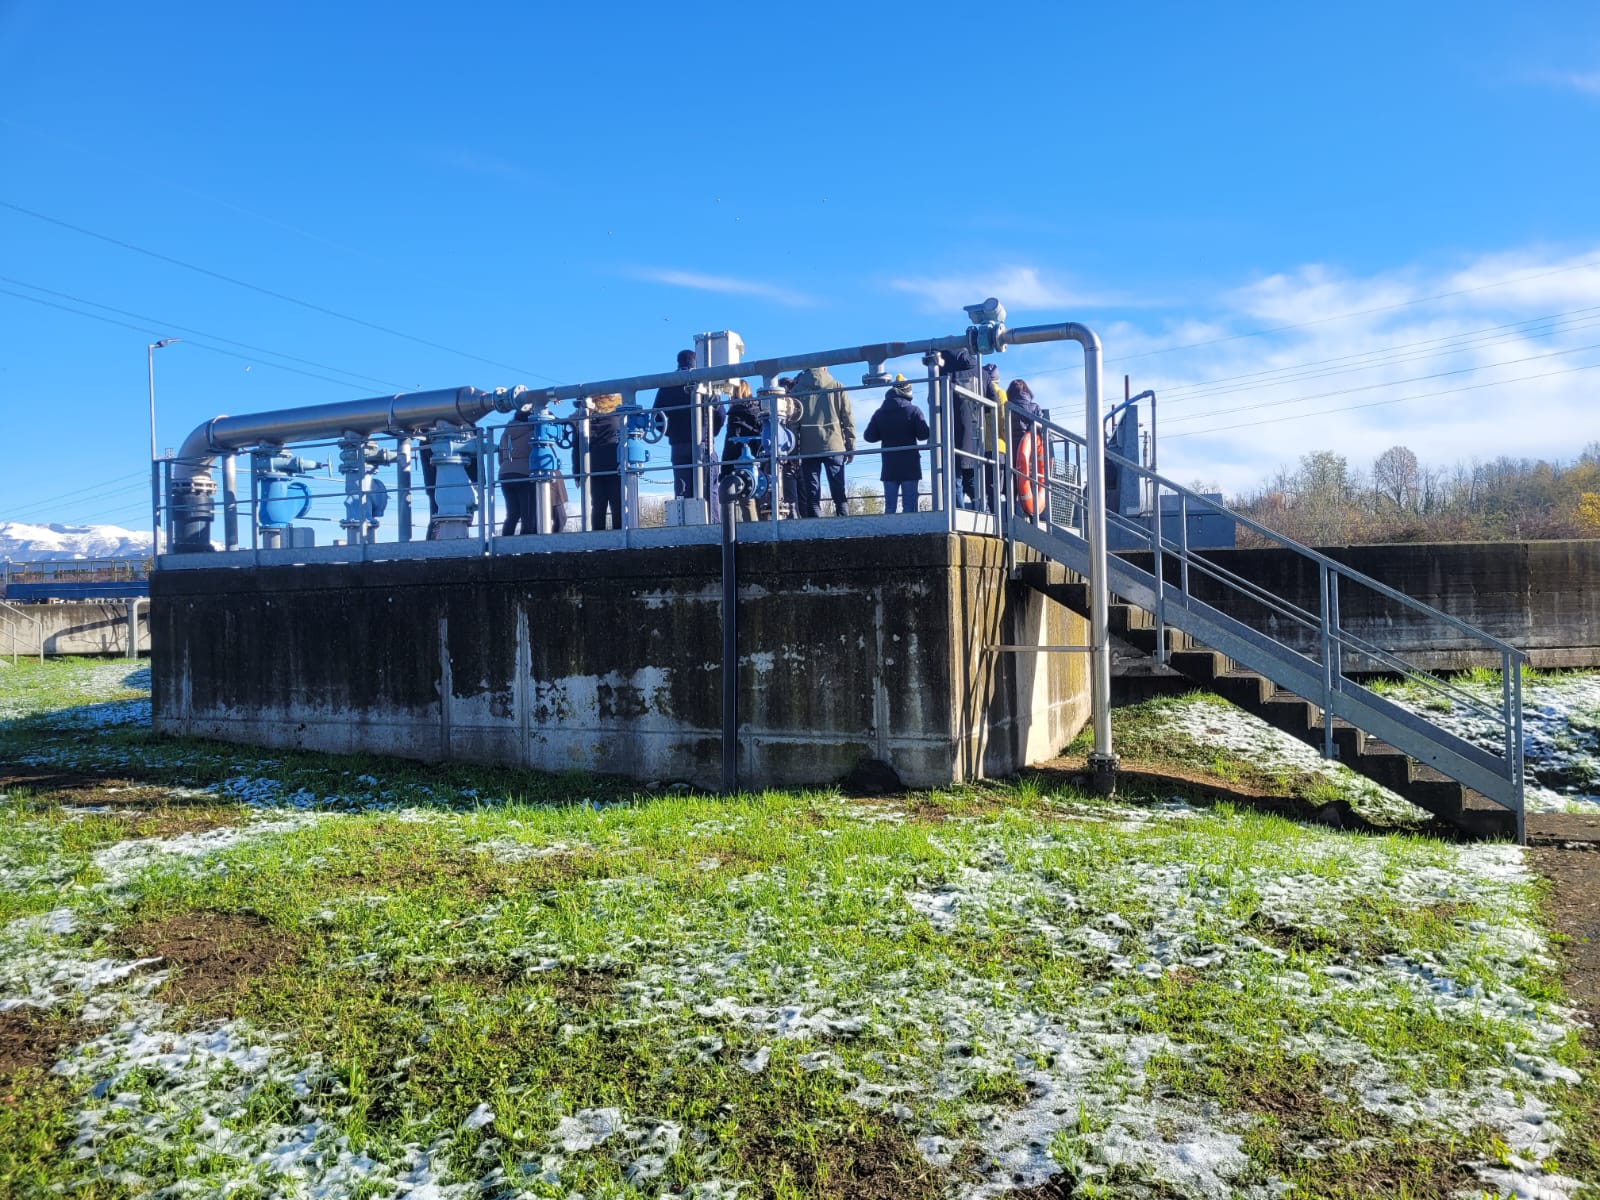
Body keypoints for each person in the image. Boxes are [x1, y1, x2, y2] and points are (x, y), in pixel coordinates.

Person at [652, 349, 725, 501]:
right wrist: (711, 432)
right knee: (709, 492)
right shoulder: (705, 383)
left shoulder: (667, 385)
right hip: (704, 444)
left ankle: (684, 516)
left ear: (678, 362)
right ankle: (711, 517)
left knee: (683, 493)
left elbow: (657, 419)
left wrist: (672, 433)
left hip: (678, 446)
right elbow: (720, 414)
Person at [792, 364, 854, 517]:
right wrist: (851, 446)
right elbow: (847, 418)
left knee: (812, 494)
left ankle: (816, 526)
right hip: (834, 444)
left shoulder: (796, 391)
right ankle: (844, 523)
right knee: (838, 490)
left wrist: (793, 453)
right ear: (825, 368)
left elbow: (793, 424)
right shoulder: (837, 387)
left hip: (808, 447)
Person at [862, 375, 930, 514]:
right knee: (909, 508)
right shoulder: (914, 411)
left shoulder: (879, 413)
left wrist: (884, 432)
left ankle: (890, 529)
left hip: (889, 466)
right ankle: (910, 529)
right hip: (910, 466)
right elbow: (924, 435)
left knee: (890, 508)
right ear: (908, 391)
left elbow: (869, 436)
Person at [939, 349, 982, 509]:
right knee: (972, 478)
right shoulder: (980, 372)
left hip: (949, 433)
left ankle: (957, 512)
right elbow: (992, 401)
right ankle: (982, 510)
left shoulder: (942, 370)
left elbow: (934, 399)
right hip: (975, 434)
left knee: (954, 478)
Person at [720, 380, 763, 522]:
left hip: (742, 464)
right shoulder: (759, 409)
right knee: (762, 499)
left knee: (746, 498)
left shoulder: (735, 413)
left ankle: (753, 532)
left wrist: (725, 471)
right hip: (760, 460)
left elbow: (731, 444)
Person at [583, 393, 625, 530]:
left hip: (594, 467)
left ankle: (598, 539)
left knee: (598, 506)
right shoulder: (618, 415)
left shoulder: (589, 418)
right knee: (617, 504)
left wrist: (578, 470)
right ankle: (620, 536)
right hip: (615, 465)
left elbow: (580, 444)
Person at [1008, 378, 1046, 520]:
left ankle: (1011, 517)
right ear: (1027, 391)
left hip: (1011, 454)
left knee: (1012, 488)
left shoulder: (1007, 407)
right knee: (1031, 486)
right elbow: (1043, 429)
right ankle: (1032, 519)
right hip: (1030, 457)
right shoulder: (1034, 407)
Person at [498, 408, 534, 535]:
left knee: (512, 514)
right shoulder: (532, 432)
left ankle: (505, 543)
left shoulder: (505, 433)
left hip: (505, 473)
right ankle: (526, 544)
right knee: (527, 514)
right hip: (524, 474)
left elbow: (500, 458)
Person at [982, 362, 1008, 512]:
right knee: (996, 486)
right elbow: (1003, 420)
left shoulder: (977, 392)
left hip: (979, 446)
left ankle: (987, 514)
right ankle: (997, 516)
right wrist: (1007, 439)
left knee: (983, 485)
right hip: (998, 445)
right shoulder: (1000, 393)